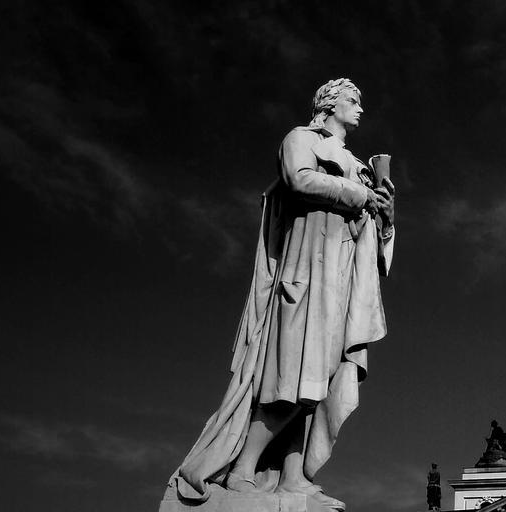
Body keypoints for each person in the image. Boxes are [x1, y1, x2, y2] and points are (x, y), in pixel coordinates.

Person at [168, 78, 396, 511]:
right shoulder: (301, 139)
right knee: (292, 378)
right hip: (306, 270)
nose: (360, 109)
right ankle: (241, 469)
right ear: (329, 104)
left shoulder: (357, 163)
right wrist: (361, 194)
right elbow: (299, 180)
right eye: (352, 100)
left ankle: (293, 477)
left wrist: (384, 213)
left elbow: (375, 232)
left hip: (342, 280)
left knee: (320, 382)